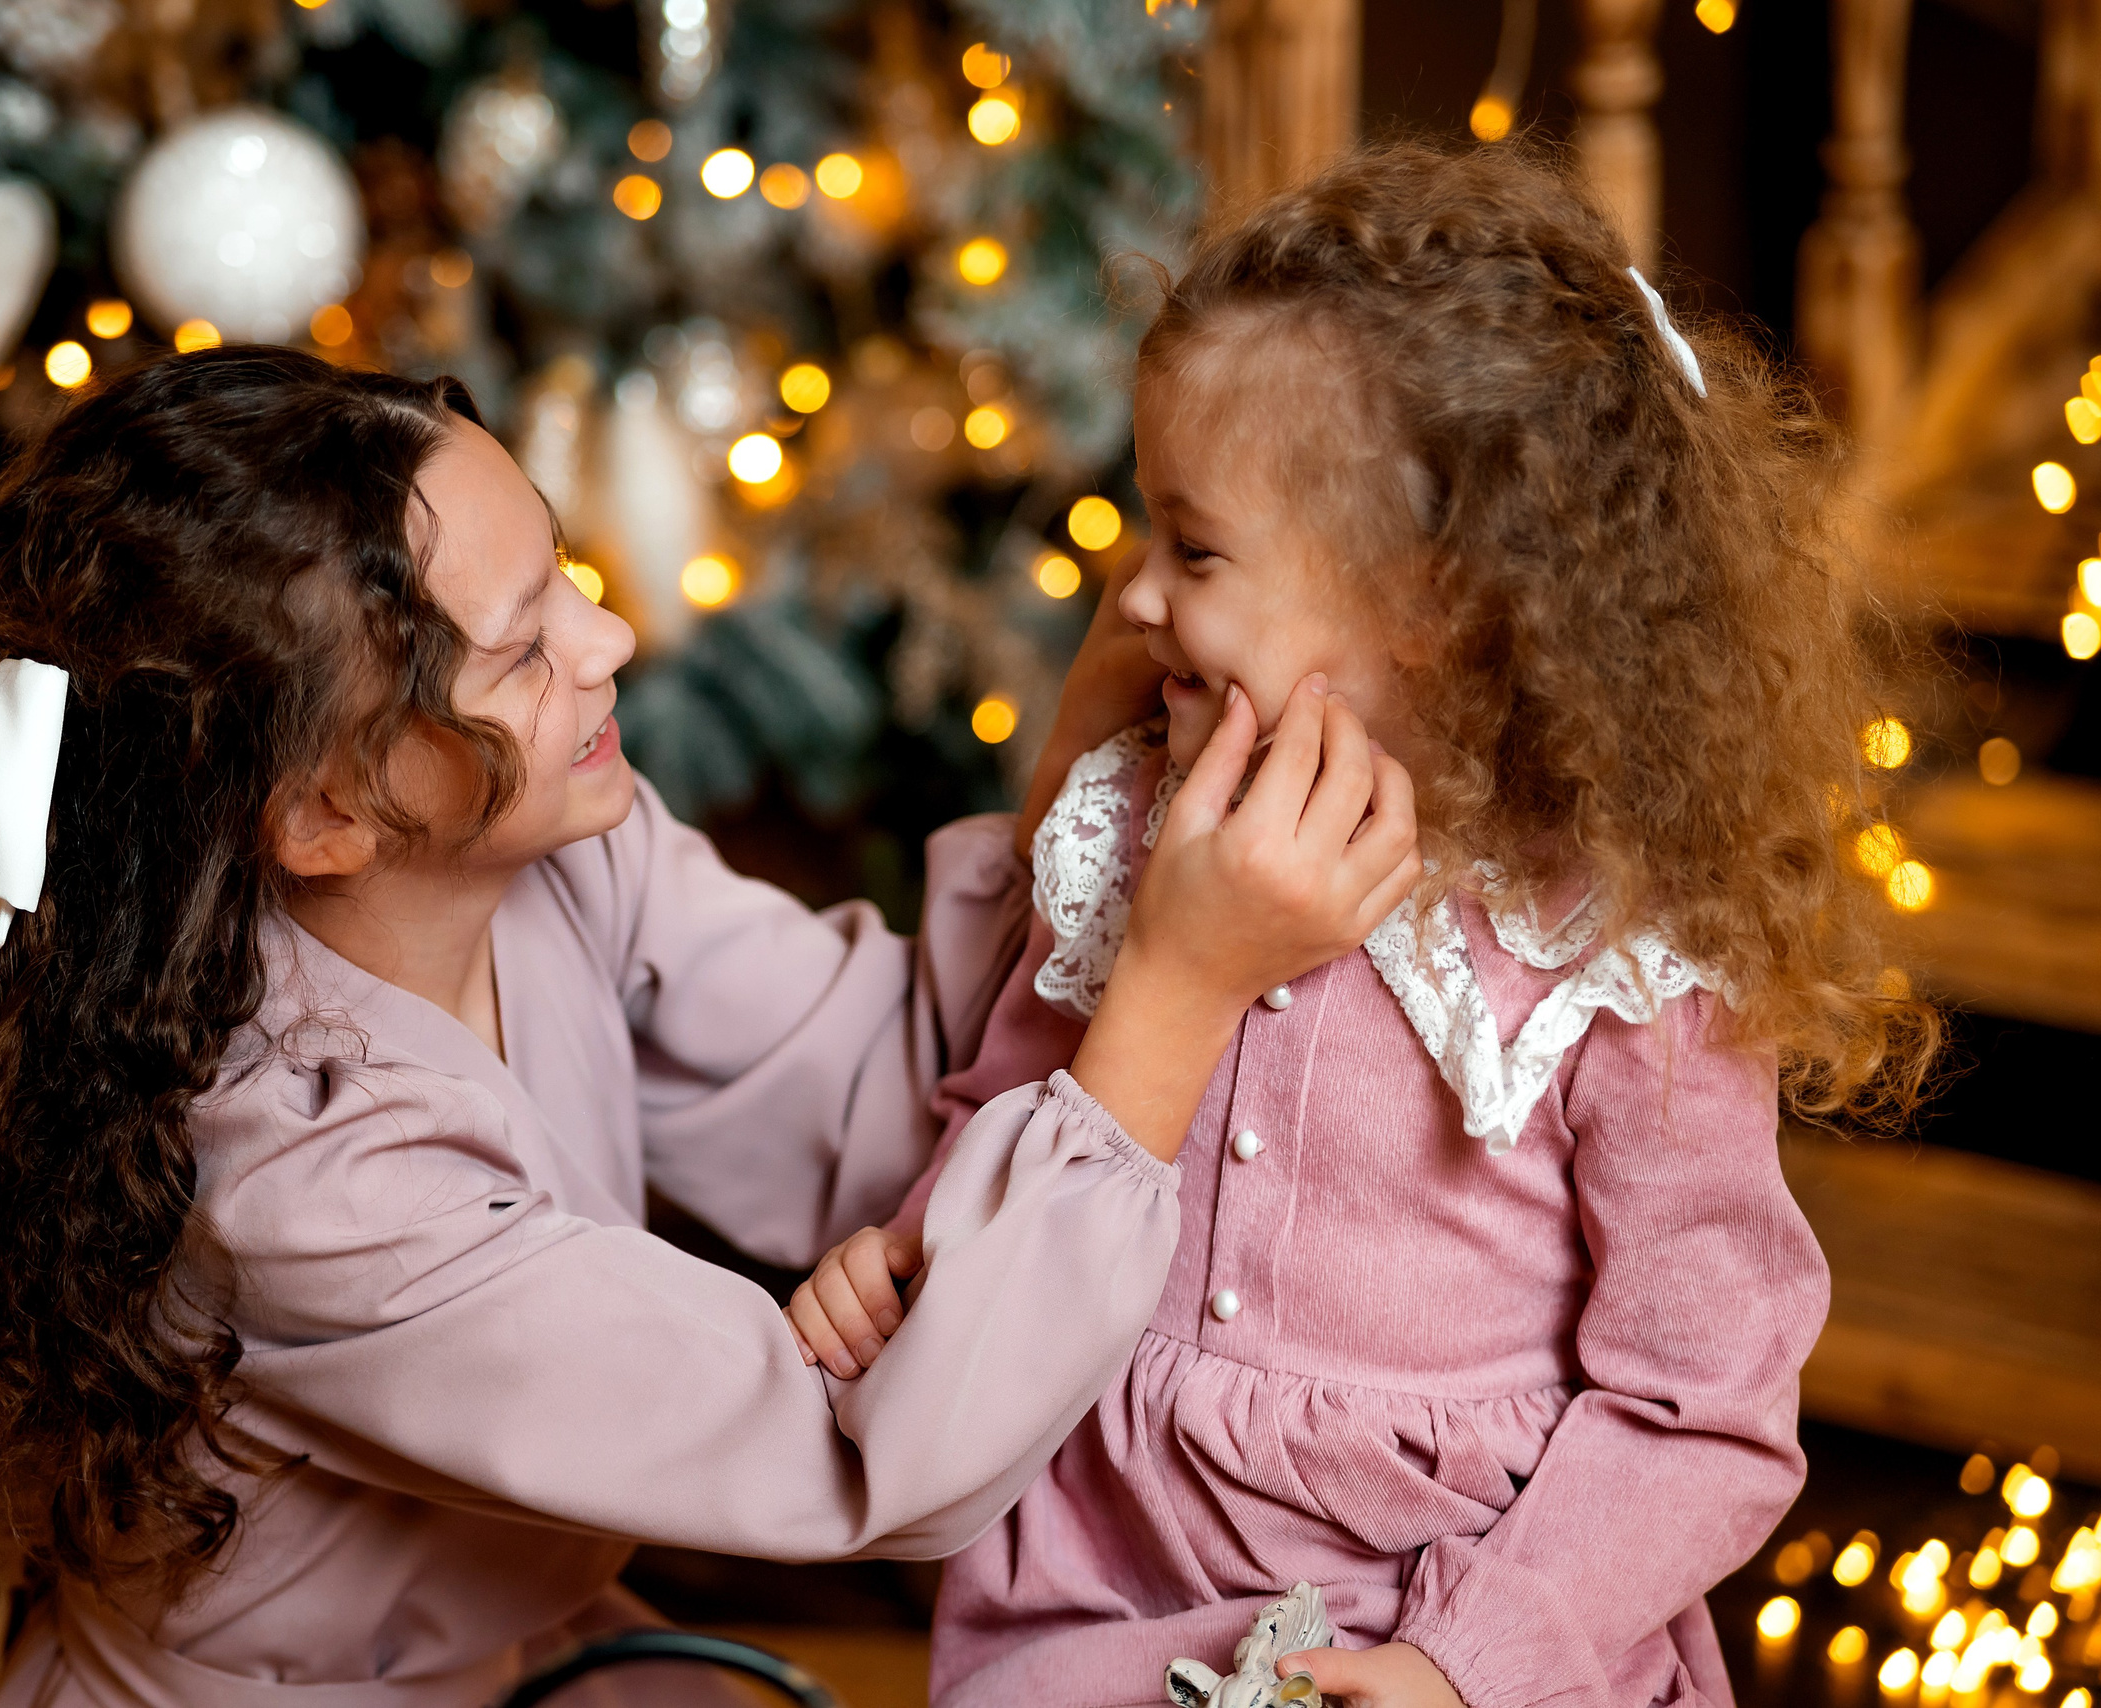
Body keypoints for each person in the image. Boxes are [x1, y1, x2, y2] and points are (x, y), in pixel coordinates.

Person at [0, 348, 1422, 1708]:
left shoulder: (561, 846)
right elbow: (867, 1463)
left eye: (567, 583)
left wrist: (1083, 761)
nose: (611, 645)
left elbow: (874, 1076)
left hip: (522, 1644)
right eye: (525, 650)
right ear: (326, 810)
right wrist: (1182, 993)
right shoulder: (300, 1179)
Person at [790, 145, 1941, 1708]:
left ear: (1437, 601)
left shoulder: (1612, 956)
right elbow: (1023, 1111)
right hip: (1100, 1582)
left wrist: (1467, 1663)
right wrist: (914, 1248)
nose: (1133, 599)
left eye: (1194, 552)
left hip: (1456, 1635)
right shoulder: (1140, 824)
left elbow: (1703, 1407)